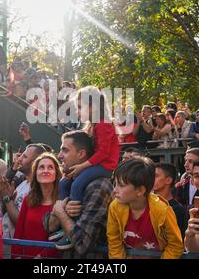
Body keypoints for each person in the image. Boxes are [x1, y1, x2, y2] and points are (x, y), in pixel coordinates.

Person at [56, 86, 119, 249]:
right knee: (64, 182)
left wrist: (81, 166)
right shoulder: (94, 125)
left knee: (77, 183)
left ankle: (74, 227)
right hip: (96, 163)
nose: (77, 111)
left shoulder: (104, 124)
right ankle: (63, 225)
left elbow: (104, 153)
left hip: (105, 166)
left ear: (93, 107)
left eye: (79, 107)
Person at [43, 130, 113, 258]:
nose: (59, 156)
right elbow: (49, 226)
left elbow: (82, 244)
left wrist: (61, 213)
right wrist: (61, 210)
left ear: (81, 154)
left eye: (65, 150)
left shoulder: (98, 186)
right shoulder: (66, 182)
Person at [107, 158, 183, 259]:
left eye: (121, 185)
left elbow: (175, 246)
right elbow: (114, 242)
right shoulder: (115, 207)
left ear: (140, 190)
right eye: (114, 183)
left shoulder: (162, 210)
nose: (115, 190)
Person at [12, 153, 61, 258]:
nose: (45, 171)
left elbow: (60, 239)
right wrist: (16, 255)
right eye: (41, 167)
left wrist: (40, 257)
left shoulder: (62, 201)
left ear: (56, 173)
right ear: (36, 173)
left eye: (50, 167)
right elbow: (19, 231)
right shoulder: (28, 199)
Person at [153, 163, 186, 235]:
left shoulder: (177, 210)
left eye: (155, 176)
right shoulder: (147, 204)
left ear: (168, 180)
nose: (151, 178)